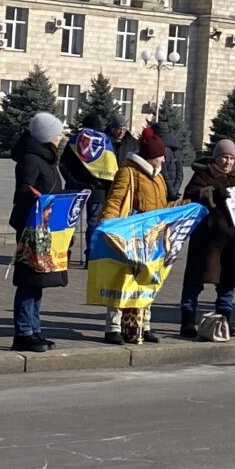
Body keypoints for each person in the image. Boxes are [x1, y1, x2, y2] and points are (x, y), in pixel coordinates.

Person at [178, 138, 235, 337]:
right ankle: (187, 321)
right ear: (216, 157)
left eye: (231, 158)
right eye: (224, 158)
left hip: (231, 241)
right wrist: (212, 193)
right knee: (195, 281)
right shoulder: (203, 173)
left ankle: (225, 320)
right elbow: (190, 196)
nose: (228, 162)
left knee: (227, 282)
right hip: (207, 240)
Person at [100, 126, 169, 343]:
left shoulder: (158, 178)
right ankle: (113, 328)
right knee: (122, 282)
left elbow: (163, 207)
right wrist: (108, 226)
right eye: (160, 156)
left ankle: (143, 325)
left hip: (151, 239)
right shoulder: (128, 173)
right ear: (150, 157)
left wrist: (190, 204)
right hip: (131, 237)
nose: (164, 161)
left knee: (148, 282)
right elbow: (115, 201)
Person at [8, 109, 69, 352]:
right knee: (29, 280)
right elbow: (24, 192)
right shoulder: (32, 159)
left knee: (38, 281)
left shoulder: (46, 159)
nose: (60, 138)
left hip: (46, 229)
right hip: (31, 229)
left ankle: (34, 329)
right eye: (57, 134)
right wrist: (40, 200)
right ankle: (23, 332)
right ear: (46, 136)